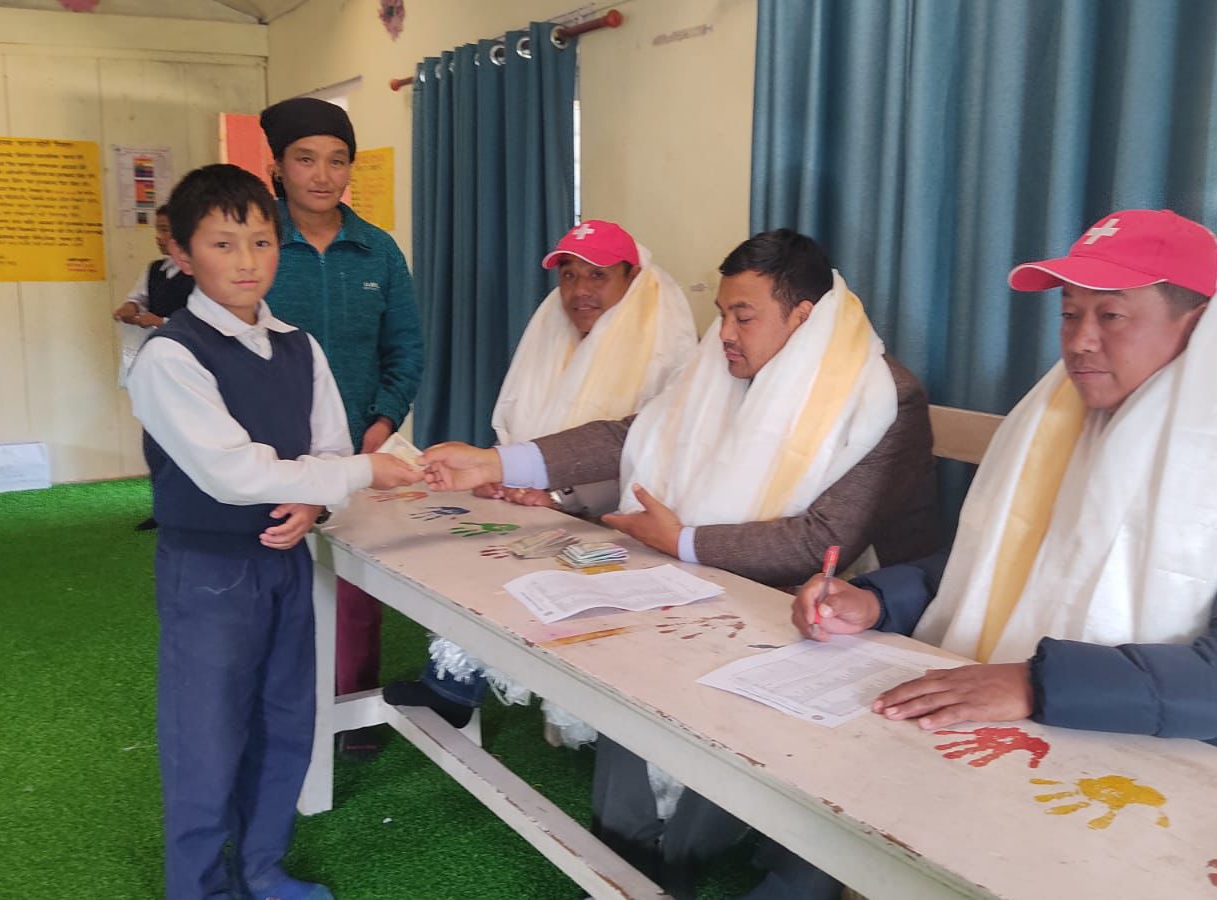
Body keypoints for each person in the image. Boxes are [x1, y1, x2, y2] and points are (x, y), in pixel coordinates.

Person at [785, 210, 1217, 899]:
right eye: (1070, 314)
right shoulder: (1068, 428)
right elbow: (989, 568)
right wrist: (875, 600)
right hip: (1082, 758)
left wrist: (1038, 683)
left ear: (1198, 325)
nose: (1080, 341)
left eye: (1112, 316)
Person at [422, 228, 941, 897]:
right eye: (722, 313)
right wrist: (496, 461)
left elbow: (821, 540)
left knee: (675, 659)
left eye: (743, 316)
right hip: (713, 585)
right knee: (625, 634)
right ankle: (632, 846)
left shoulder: (885, 396)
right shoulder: (724, 366)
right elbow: (631, 433)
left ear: (802, 317)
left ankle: (695, 850)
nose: (724, 333)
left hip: (836, 611)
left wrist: (683, 541)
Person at [126, 163, 421, 900]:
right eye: (222, 244)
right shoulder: (170, 356)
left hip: (289, 562)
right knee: (206, 736)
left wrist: (316, 503)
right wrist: (358, 473)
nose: (247, 262)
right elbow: (233, 472)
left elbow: (326, 445)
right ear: (182, 253)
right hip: (210, 569)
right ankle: (197, 886)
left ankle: (261, 866)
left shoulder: (298, 345)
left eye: (261, 242)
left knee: (286, 717)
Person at [384, 219, 698, 733]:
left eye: (598, 276)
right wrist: (505, 476)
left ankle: (577, 720)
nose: (579, 291)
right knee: (475, 551)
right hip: (547, 508)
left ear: (632, 279)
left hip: (626, 524)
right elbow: (525, 429)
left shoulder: (670, 350)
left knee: (520, 560)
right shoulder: (555, 331)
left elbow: (642, 454)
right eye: (569, 276)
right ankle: (452, 685)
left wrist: (559, 496)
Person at [259, 97, 425, 757]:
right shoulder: (257, 246)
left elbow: (405, 349)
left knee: (355, 587)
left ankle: (353, 707)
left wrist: (380, 425)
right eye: (306, 160)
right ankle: (283, 708)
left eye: (337, 160)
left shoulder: (377, 251)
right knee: (277, 579)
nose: (323, 176)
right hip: (272, 453)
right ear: (278, 166)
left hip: (360, 450)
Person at [113, 204, 195, 531]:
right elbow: (138, 297)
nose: (160, 237)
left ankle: (189, 510)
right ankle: (163, 509)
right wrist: (129, 307)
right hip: (155, 367)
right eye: (158, 229)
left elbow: (205, 322)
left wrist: (159, 321)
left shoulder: (201, 273)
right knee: (155, 439)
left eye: (166, 229)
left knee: (188, 439)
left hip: (191, 367)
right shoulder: (154, 270)